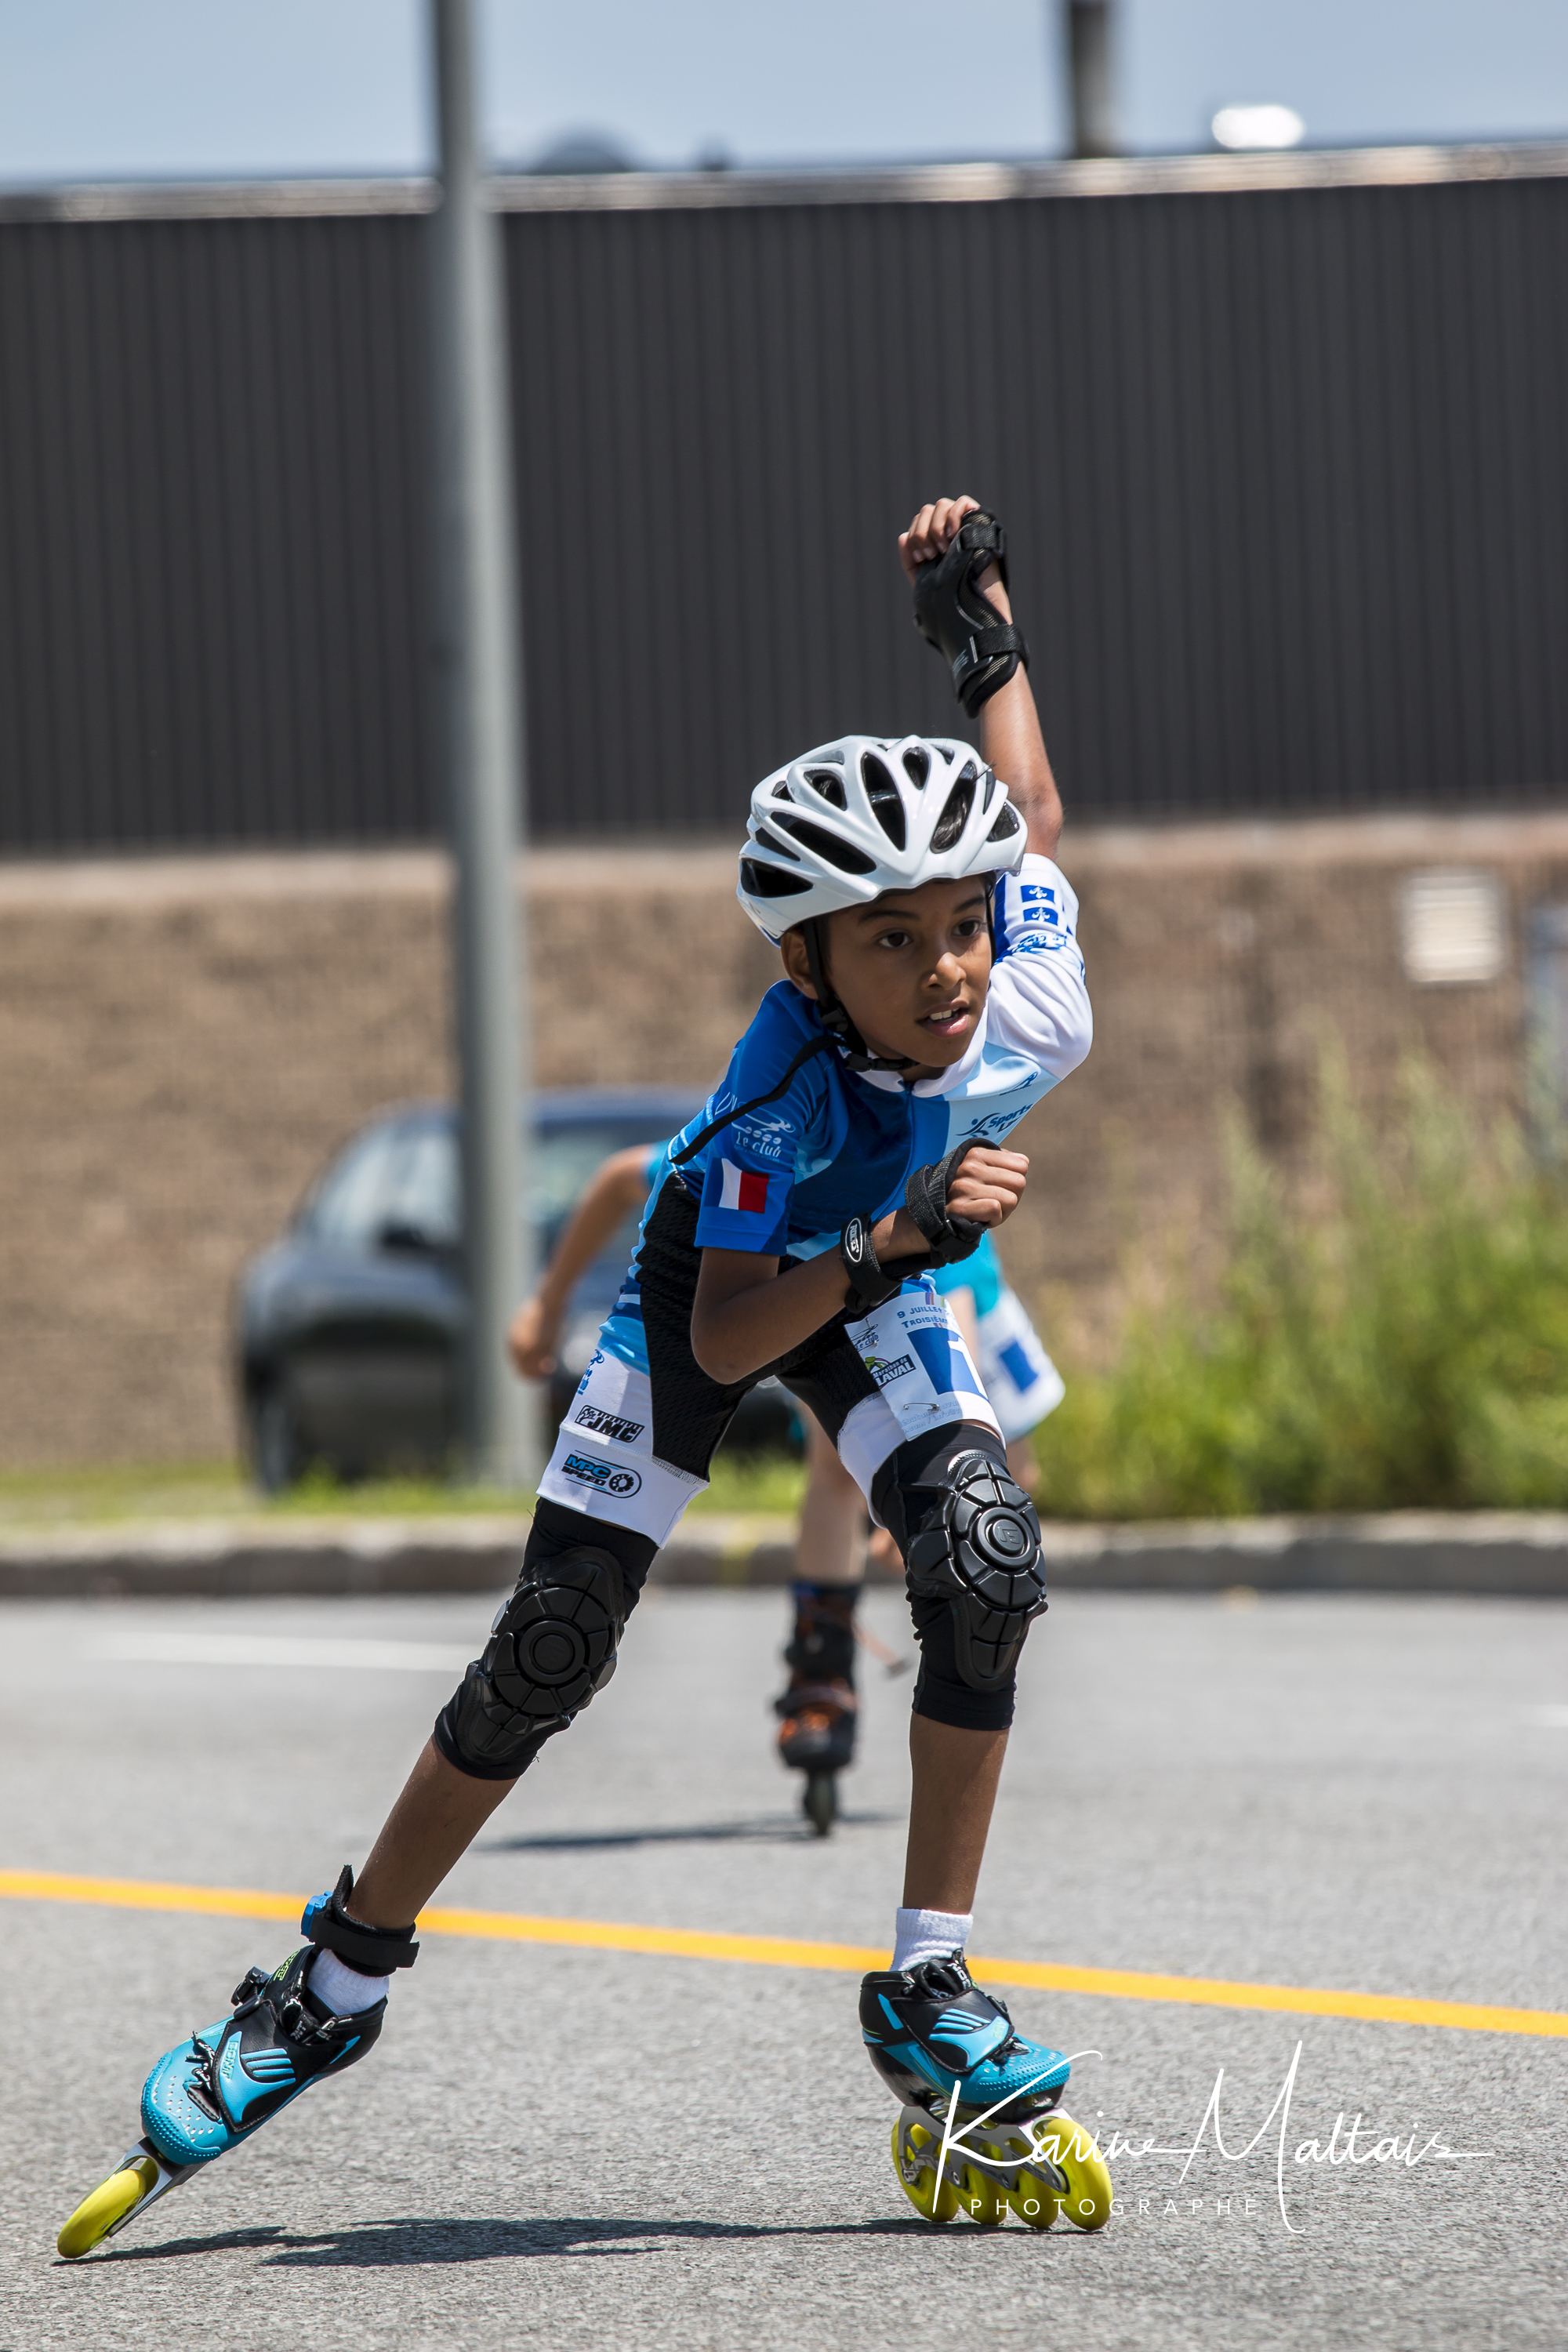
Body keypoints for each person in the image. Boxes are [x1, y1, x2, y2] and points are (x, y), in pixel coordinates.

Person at [61, 494, 1102, 2254]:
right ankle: (328, 1980)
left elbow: (1035, 813)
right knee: (550, 1653)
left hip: (882, 1256)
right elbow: (725, 1342)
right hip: (735, 1274)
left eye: (962, 925)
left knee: (988, 1562)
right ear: (805, 960)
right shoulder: (775, 1110)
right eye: (893, 939)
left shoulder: (1023, 992)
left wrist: (976, 624)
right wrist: (897, 1244)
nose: (947, 971)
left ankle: (930, 1989)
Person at [506, 1148, 1066, 1835]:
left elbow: (959, 1356)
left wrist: (933, 1493)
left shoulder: (923, 1158)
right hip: (829, 1272)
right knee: (836, 1470)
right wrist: (547, 1300)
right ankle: (821, 1671)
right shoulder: (777, 1143)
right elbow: (622, 1175)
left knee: (1007, 1480)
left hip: (938, 1251)